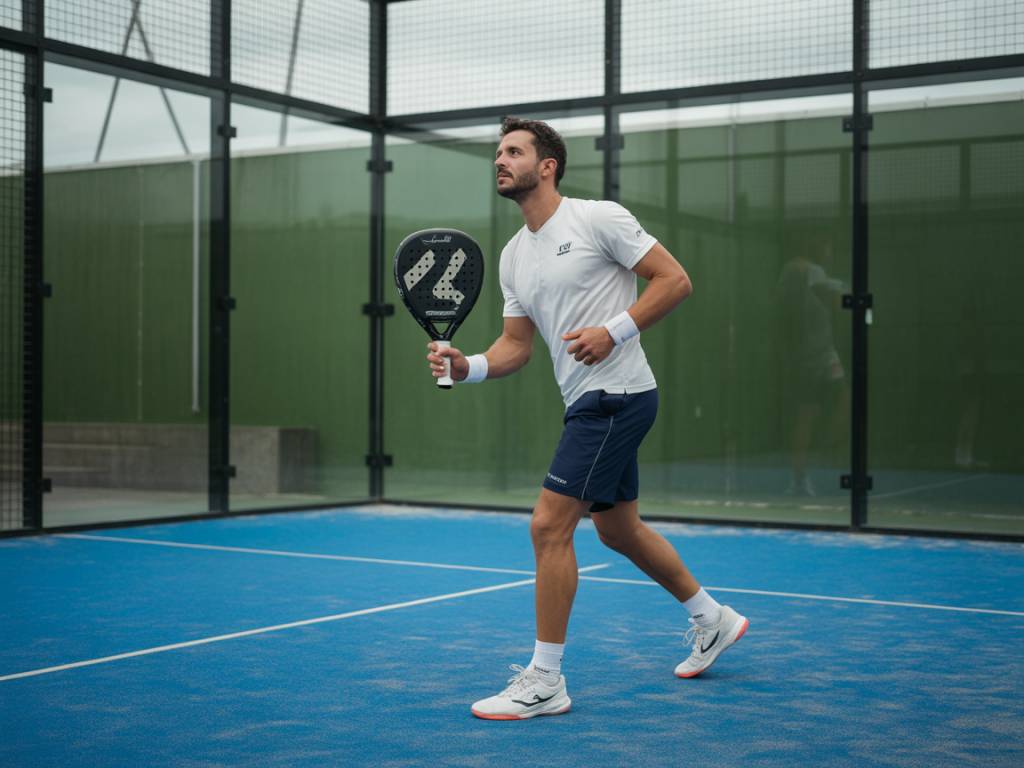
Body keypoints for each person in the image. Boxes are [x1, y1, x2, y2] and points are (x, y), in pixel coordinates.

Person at [426, 117, 749, 720]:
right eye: (498, 152)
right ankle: (714, 619)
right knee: (618, 530)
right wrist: (462, 364)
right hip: (587, 399)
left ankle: (545, 679)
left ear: (546, 166)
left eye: (514, 151)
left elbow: (674, 279)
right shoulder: (514, 255)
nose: (501, 160)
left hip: (616, 395)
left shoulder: (598, 217)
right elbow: (515, 347)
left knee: (550, 526)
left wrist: (614, 330)